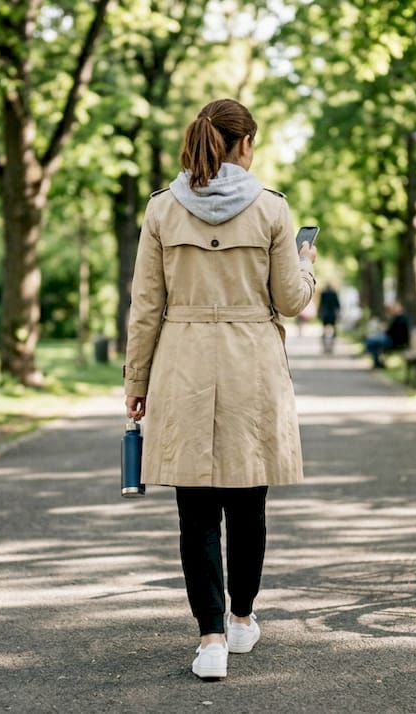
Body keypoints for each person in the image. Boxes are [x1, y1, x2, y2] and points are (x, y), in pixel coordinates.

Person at [122, 98, 316, 682]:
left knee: (196, 511)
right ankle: (240, 618)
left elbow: (144, 308)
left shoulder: (161, 210)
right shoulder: (272, 210)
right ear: (245, 142)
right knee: (248, 504)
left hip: (180, 364)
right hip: (250, 366)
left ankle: (209, 640)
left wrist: (136, 382)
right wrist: (308, 264)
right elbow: (291, 300)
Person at [363, 302, 410, 369]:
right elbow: (392, 330)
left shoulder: (401, 318)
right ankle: (377, 361)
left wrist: (386, 329)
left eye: (396, 307)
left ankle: (375, 360)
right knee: (372, 342)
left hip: (394, 341)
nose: (394, 309)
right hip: (391, 339)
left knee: (371, 341)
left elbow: (393, 332)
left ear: (400, 308)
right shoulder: (398, 318)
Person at [317, 283, 340, 353]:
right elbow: (338, 305)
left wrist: (319, 313)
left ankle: (324, 346)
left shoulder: (323, 293)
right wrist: (338, 314)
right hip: (332, 314)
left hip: (325, 314)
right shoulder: (334, 293)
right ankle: (332, 345)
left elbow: (321, 304)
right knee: (334, 330)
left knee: (324, 330)